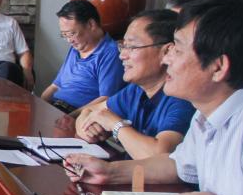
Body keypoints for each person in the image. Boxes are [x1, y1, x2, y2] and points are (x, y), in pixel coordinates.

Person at [67, 0, 243, 195]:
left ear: (218, 67)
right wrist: (109, 172)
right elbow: (177, 164)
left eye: (178, 50)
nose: (167, 58)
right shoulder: (206, 113)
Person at [74, 9, 195, 159]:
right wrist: (89, 129)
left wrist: (115, 125)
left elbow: (158, 157)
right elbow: (89, 112)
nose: (122, 55)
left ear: (166, 52)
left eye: (132, 47)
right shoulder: (136, 90)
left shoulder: (182, 98)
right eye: (123, 46)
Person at [40, 0, 125, 113]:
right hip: (55, 108)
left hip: (76, 113)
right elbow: (55, 86)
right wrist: (40, 104)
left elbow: (105, 99)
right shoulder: (76, 48)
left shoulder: (110, 53)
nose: (69, 40)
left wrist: (70, 117)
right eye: (64, 35)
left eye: (72, 34)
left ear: (91, 24)